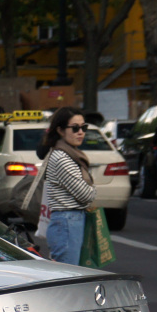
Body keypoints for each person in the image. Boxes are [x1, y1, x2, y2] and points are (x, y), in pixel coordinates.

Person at [40, 107, 96, 265]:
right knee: (67, 277)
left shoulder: (71, 154)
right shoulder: (62, 158)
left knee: (69, 275)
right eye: (75, 128)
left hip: (70, 220)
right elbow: (86, 195)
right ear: (60, 130)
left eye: (84, 127)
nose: (81, 132)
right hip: (67, 221)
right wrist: (93, 190)